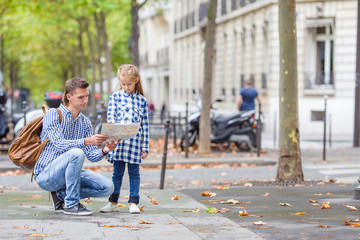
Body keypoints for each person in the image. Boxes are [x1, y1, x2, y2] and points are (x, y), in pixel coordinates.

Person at [34, 77, 120, 216]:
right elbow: (59, 144)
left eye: (86, 96)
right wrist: (86, 141)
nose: (85, 101)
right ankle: (71, 204)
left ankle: (62, 195)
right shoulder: (53, 114)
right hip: (46, 174)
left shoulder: (85, 122)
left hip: (70, 173)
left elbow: (92, 156)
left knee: (108, 187)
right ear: (69, 97)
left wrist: (106, 149)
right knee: (76, 153)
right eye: (80, 97)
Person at [100, 64, 149, 214]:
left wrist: (145, 147)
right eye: (123, 84)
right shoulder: (115, 97)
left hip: (135, 143)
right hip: (118, 144)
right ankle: (113, 202)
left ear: (136, 81)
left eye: (129, 84)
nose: (126, 87)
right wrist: (110, 141)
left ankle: (133, 202)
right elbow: (111, 119)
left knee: (134, 173)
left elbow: (145, 125)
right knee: (117, 173)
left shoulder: (142, 101)